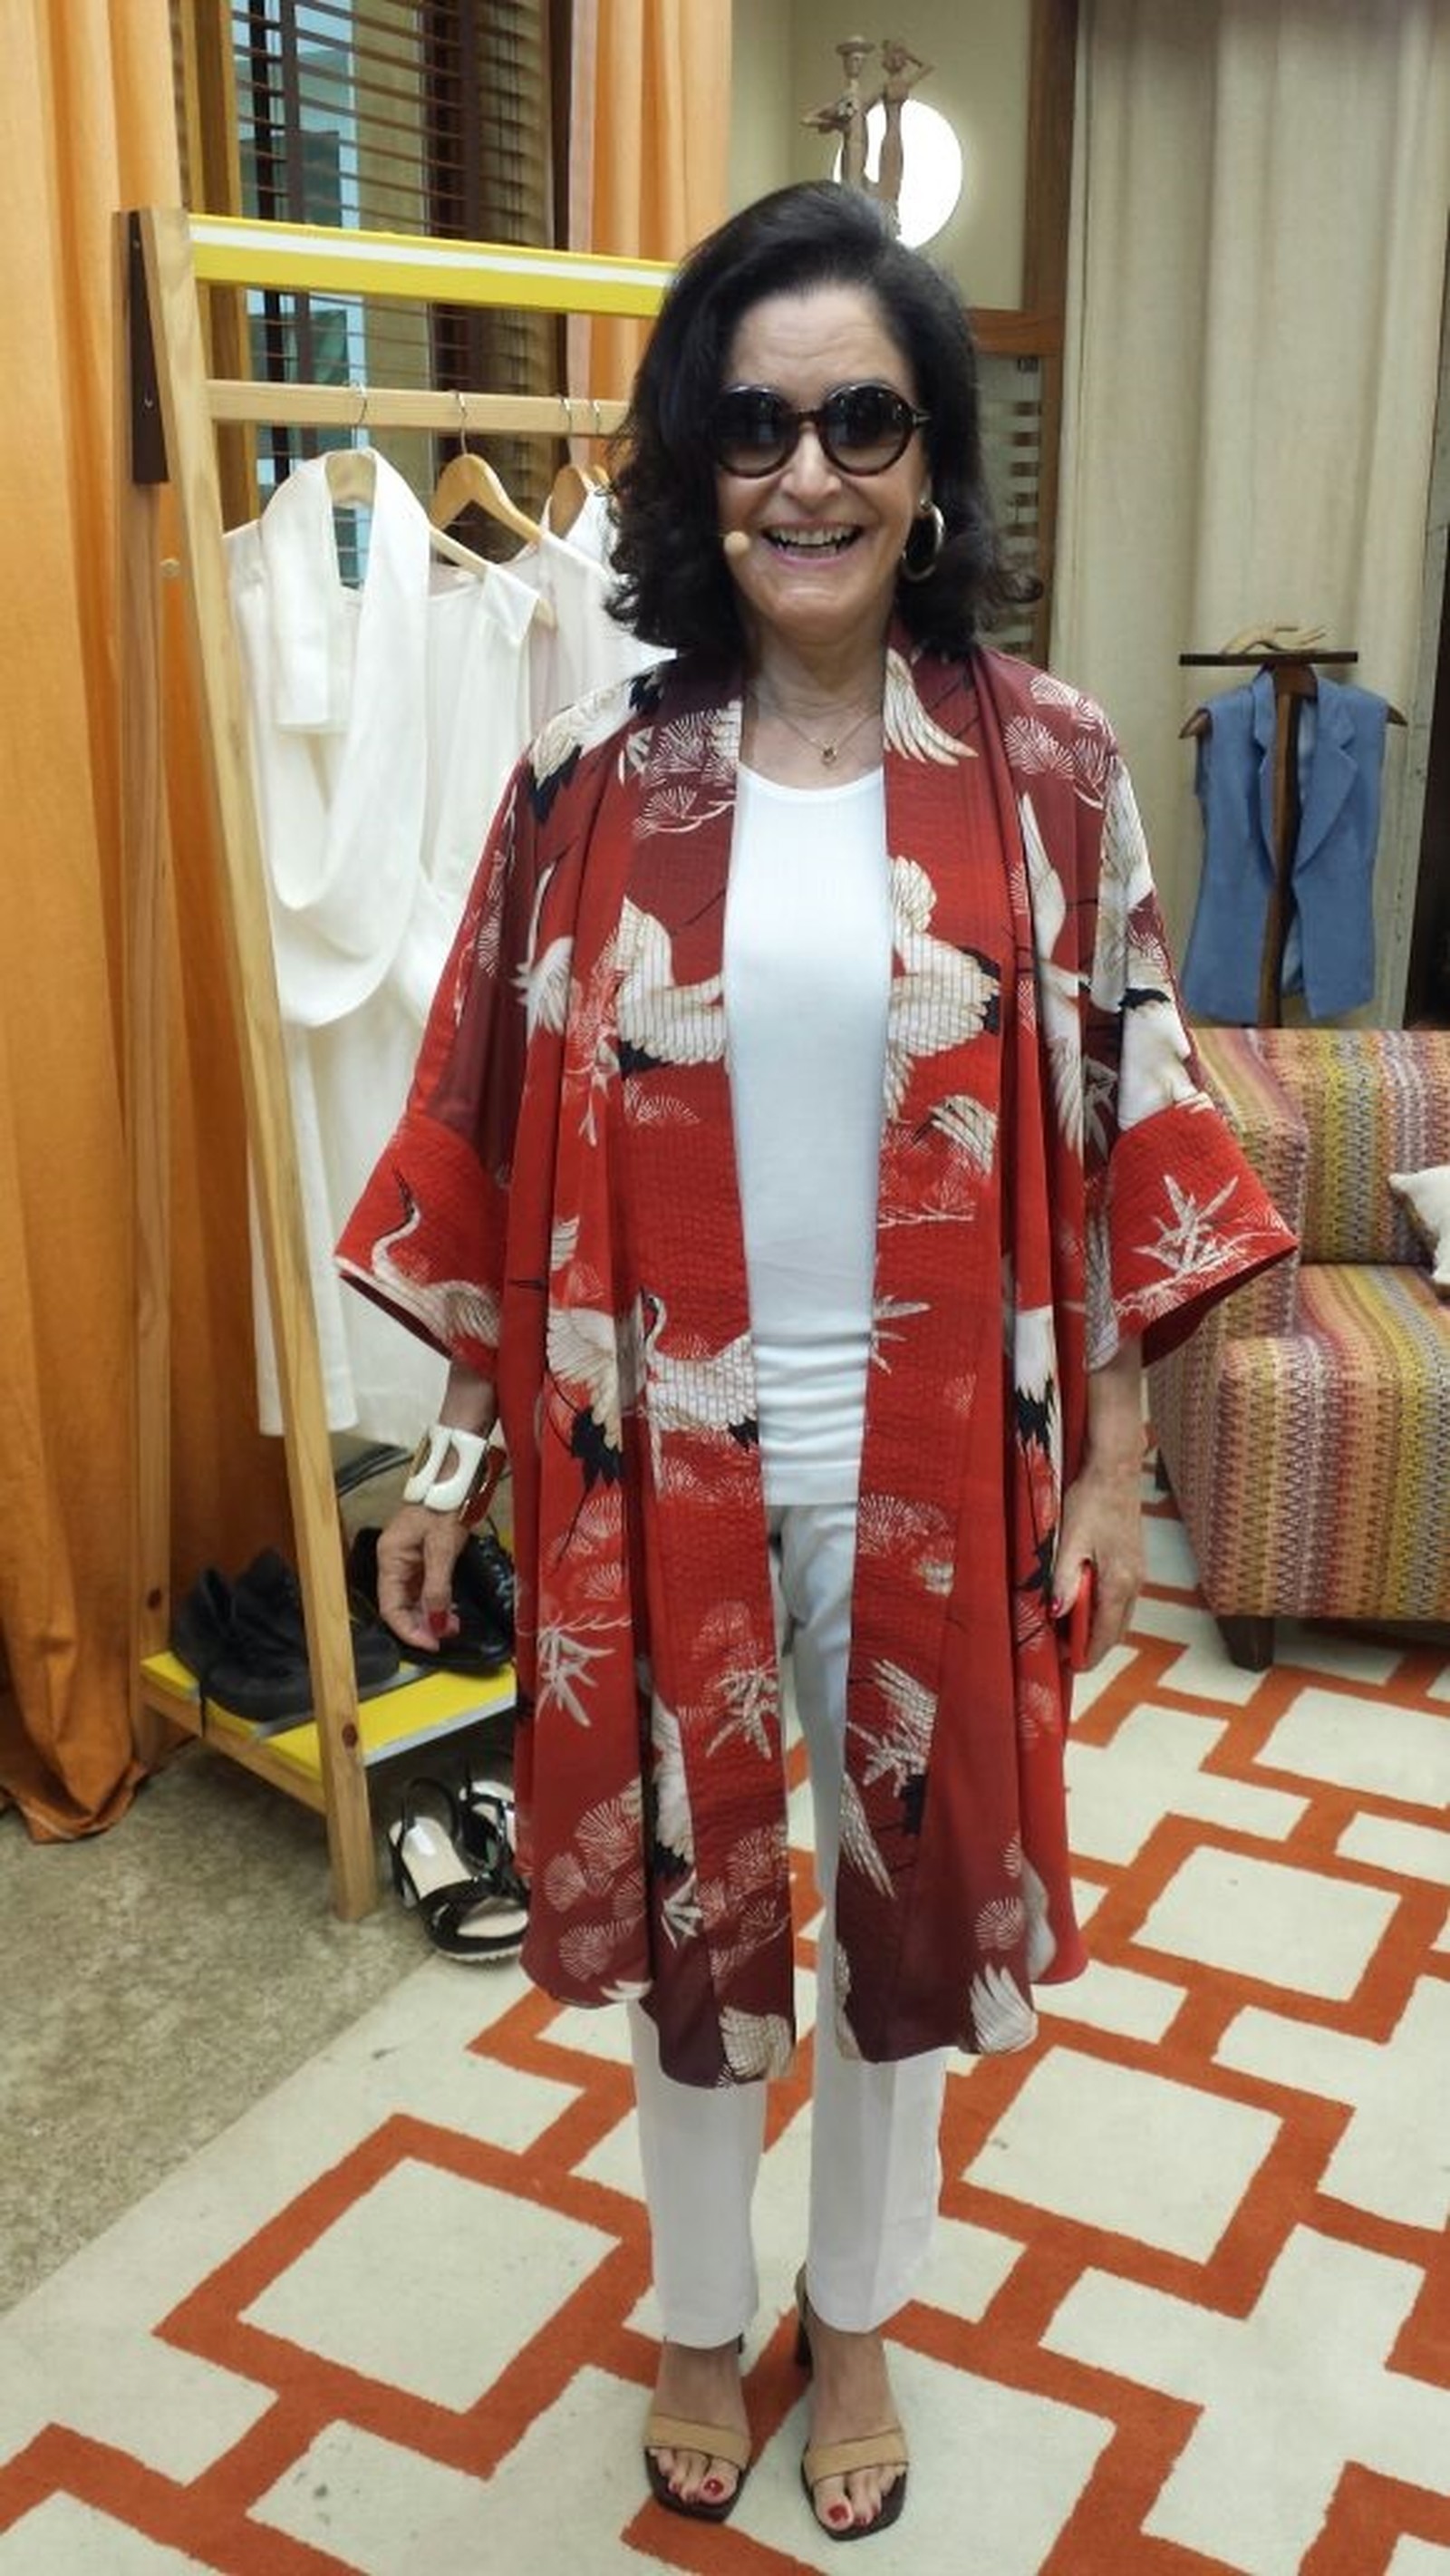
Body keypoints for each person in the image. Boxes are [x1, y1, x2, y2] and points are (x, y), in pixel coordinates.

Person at [336, 182, 1295, 2542]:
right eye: (755, 426)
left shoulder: (1047, 764)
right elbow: (488, 1133)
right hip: (646, 1455)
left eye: (863, 419)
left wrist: (1108, 1476)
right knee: (697, 1911)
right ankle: (695, 2308)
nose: (809, 475)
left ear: (932, 455)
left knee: (900, 1905)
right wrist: (454, 1463)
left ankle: (853, 2312)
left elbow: (1131, 1104)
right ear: (695, 460)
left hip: (943, 1459)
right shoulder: (588, 776)